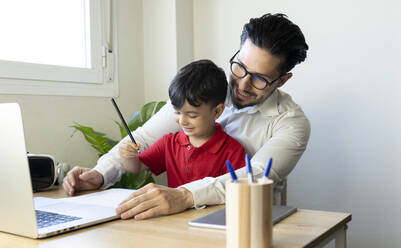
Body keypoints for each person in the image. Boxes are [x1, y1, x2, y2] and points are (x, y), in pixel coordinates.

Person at [63, 13, 310, 221]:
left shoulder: (291, 124)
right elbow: (143, 138)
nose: (242, 84)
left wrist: (183, 195)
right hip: (180, 221)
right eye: (240, 67)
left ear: (282, 80)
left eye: (259, 78)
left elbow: (256, 174)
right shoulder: (200, 89)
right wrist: (99, 173)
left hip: (248, 222)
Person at [119, 59, 246, 189]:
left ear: (217, 111)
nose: (182, 121)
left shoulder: (232, 151)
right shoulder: (169, 143)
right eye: (177, 112)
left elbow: (237, 192)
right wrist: (129, 157)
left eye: (192, 115)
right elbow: (137, 167)